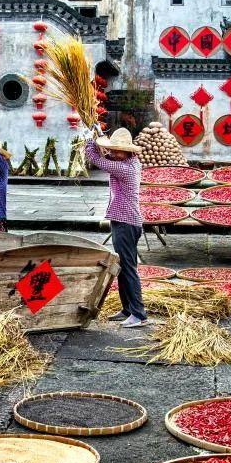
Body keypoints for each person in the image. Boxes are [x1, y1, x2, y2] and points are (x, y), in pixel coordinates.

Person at [84, 128, 148, 328]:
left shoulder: (126, 169)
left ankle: (138, 314)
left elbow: (97, 159)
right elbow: (105, 155)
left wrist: (89, 141)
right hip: (125, 221)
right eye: (113, 150)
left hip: (126, 223)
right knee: (123, 267)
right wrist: (98, 135)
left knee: (128, 268)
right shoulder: (129, 162)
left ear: (127, 152)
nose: (113, 153)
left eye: (117, 151)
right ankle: (127, 309)